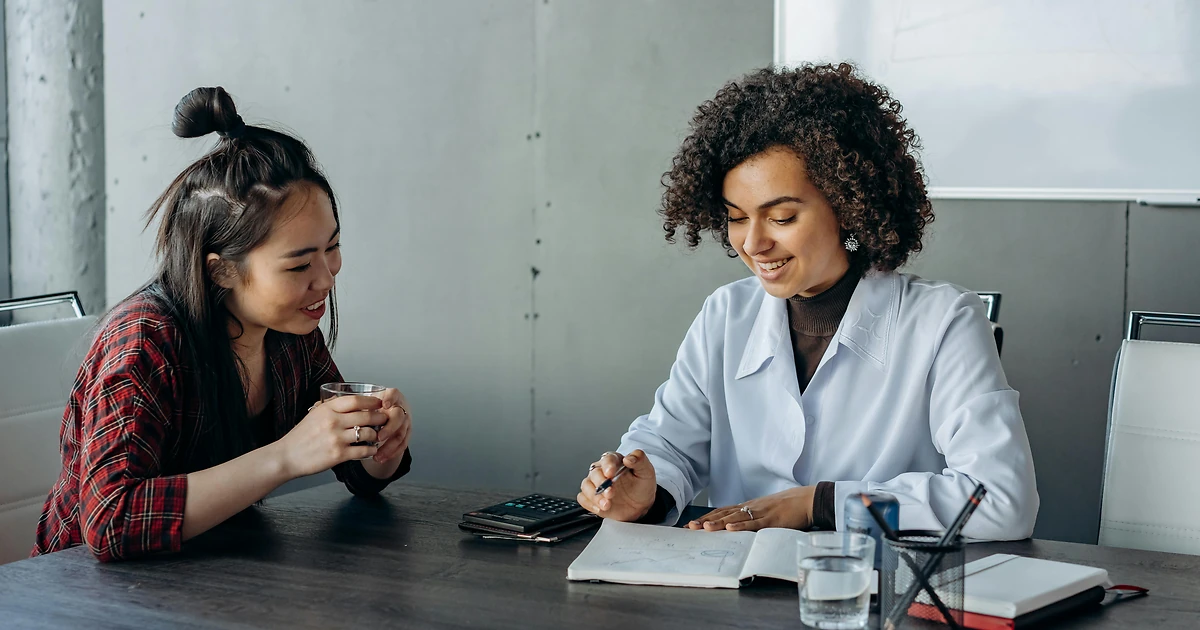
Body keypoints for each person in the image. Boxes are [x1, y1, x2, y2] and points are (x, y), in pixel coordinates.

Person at [576, 64, 1038, 540]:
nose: (753, 243)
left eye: (781, 217)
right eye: (736, 218)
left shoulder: (944, 320)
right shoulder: (726, 314)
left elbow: (1002, 501)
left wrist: (818, 504)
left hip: (870, 591)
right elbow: (670, 445)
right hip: (733, 591)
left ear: (848, 204)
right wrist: (643, 492)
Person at [33, 87, 413, 562]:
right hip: (78, 594)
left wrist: (382, 445)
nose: (325, 278)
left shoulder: (290, 333)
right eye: (298, 266)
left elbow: (357, 476)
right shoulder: (144, 342)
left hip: (213, 579)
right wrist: (285, 457)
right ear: (222, 270)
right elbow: (111, 522)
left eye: (331, 248)